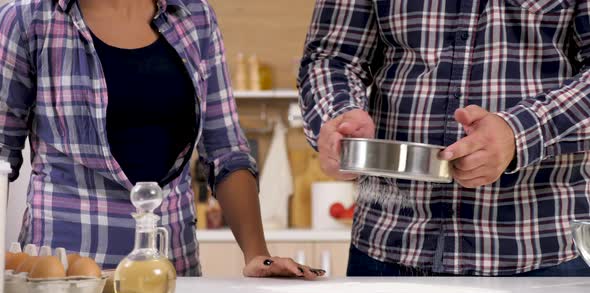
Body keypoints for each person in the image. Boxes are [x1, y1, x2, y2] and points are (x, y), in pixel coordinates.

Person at [0, 0, 324, 279]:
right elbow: (2, 155)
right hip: (61, 274)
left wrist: (257, 255)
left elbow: (226, 151)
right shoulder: (28, 19)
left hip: (172, 273)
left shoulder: (194, 17)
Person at [299, 0, 590, 276]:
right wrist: (339, 115)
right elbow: (332, 58)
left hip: (542, 247)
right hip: (387, 244)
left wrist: (518, 132)